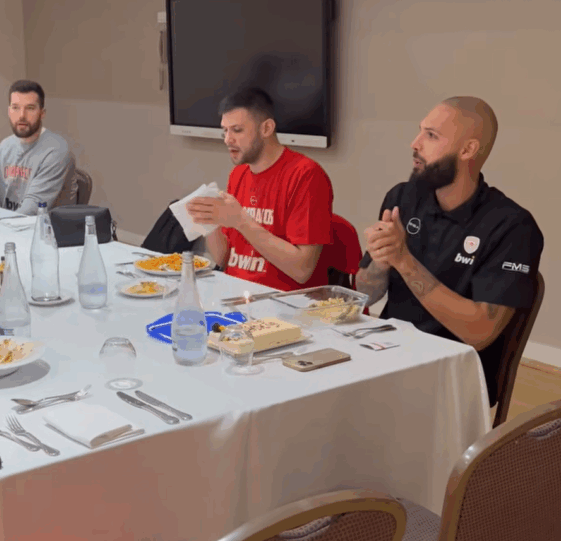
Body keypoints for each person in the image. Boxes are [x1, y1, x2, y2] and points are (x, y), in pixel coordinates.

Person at [356, 97, 544, 405]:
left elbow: (479, 332)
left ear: (467, 150)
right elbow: (365, 293)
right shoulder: (402, 197)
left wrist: (404, 261)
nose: (415, 143)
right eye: (420, 131)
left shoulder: (512, 226)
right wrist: (381, 260)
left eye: (431, 135)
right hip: (386, 351)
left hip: (453, 379)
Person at [186, 87, 333, 291]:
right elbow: (224, 259)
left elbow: (302, 270)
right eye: (225, 131)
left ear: (266, 128)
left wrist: (241, 221)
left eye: (237, 130)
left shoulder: (306, 175)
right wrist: (209, 221)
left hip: (282, 299)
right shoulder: (238, 174)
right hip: (234, 290)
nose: (228, 139)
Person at [0, 80, 77, 214]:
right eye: (15, 107)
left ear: (42, 113)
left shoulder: (56, 151)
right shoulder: (5, 146)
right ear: (9, 111)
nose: (22, 115)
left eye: (30, 108)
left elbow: (31, 211)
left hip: (42, 226)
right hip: (10, 223)